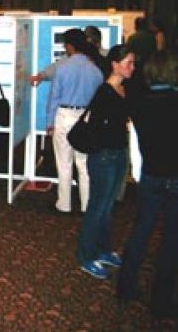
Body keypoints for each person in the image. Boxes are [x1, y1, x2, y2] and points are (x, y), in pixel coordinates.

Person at [117, 50, 178, 319]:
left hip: (151, 175)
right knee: (171, 241)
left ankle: (125, 288)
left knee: (140, 233)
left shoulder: (140, 103)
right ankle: (161, 302)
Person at [76, 45, 135, 280]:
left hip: (119, 153)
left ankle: (102, 250)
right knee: (97, 208)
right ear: (115, 64)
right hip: (103, 157)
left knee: (107, 208)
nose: (132, 67)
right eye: (128, 62)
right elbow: (97, 128)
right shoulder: (105, 92)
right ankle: (85, 256)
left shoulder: (123, 89)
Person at [46, 29, 103, 213]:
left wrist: (49, 123)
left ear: (69, 46)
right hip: (85, 117)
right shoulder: (95, 70)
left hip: (64, 115)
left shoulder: (62, 68)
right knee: (84, 164)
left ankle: (64, 204)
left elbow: (54, 98)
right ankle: (87, 204)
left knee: (64, 162)